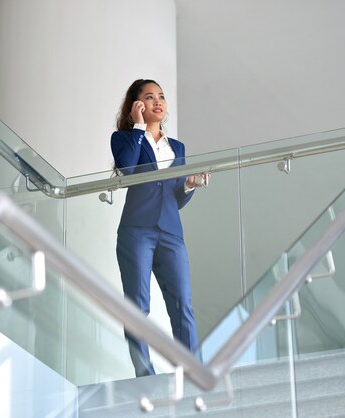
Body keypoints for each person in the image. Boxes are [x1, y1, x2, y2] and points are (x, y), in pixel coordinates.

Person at [111, 79, 205, 377]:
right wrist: (138, 127)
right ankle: (144, 373)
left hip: (171, 232)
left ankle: (191, 368)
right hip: (136, 229)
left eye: (161, 96)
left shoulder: (177, 147)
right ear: (136, 105)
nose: (157, 102)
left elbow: (175, 198)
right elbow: (127, 168)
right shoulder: (123, 139)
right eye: (148, 97)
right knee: (138, 305)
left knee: (182, 304)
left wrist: (189, 185)